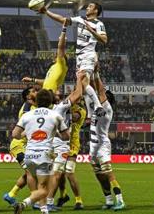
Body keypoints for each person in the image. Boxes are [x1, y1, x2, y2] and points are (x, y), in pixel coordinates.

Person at [39, 2, 107, 117]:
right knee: (82, 85)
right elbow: (63, 20)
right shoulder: (80, 19)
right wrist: (46, 12)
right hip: (79, 57)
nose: (87, 7)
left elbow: (104, 40)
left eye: (90, 6)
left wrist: (91, 30)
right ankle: (91, 113)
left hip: (88, 54)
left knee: (84, 80)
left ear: (96, 11)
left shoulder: (99, 24)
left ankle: (98, 106)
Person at [13, 89, 69, 214]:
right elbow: (66, 137)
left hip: (29, 154)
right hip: (44, 154)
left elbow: (15, 135)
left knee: (35, 182)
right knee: (44, 189)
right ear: (50, 102)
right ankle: (24, 203)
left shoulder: (27, 115)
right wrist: (56, 133)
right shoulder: (55, 115)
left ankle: (43, 209)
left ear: (36, 101)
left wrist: (28, 133)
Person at [45, 72, 84, 211]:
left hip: (53, 143)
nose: (59, 92)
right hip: (61, 144)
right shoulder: (61, 107)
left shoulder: (48, 109)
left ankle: (48, 199)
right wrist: (79, 78)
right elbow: (78, 94)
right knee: (56, 174)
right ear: (54, 99)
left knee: (55, 174)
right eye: (57, 92)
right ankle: (47, 203)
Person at [89, 70, 126, 211]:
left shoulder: (107, 109)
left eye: (103, 96)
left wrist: (97, 73)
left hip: (102, 145)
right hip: (93, 146)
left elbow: (100, 90)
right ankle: (109, 200)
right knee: (100, 175)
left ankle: (120, 200)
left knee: (108, 173)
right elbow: (93, 89)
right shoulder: (97, 108)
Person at [3, 87, 38, 206]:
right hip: (19, 146)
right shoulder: (27, 109)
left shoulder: (35, 107)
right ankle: (34, 199)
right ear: (28, 96)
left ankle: (11, 194)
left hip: (26, 146)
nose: (36, 92)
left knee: (31, 171)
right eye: (34, 91)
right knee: (30, 171)